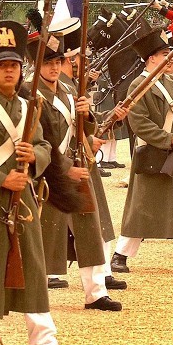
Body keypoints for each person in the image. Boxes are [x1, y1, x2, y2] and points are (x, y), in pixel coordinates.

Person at [0, 20, 81, 345]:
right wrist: (1, 180)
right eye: (2, 66)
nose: (9, 71)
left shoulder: (31, 105)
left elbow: (44, 144)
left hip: (24, 202)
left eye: (13, 65)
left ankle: (43, 342)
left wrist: (36, 158)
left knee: (33, 268)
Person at [28, 17, 122, 311]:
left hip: (77, 169)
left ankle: (95, 292)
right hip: (47, 174)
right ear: (36, 65)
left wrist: (87, 114)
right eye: (48, 62)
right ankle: (31, 296)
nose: (54, 67)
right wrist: (64, 166)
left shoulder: (69, 91)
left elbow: (85, 131)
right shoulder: (30, 96)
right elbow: (34, 139)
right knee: (41, 238)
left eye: (58, 61)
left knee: (89, 233)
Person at [111, 26, 173, 275]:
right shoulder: (139, 84)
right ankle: (120, 255)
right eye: (165, 53)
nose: (171, 58)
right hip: (155, 150)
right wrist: (167, 138)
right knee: (143, 206)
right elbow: (139, 123)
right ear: (151, 59)